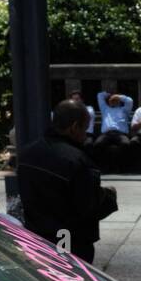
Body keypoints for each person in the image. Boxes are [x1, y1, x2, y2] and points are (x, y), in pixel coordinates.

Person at [18, 100, 117, 263]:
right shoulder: (78, 161)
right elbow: (88, 207)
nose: (85, 135)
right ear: (74, 127)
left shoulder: (28, 153)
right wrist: (109, 196)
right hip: (70, 242)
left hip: (36, 236)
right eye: (84, 129)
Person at [94, 90, 133, 171]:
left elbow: (129, 101)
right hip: (106, 134)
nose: (113, 101)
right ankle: (104, 166)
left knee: (126, 144)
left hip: (120, 134)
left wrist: (118, 96)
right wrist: (110, 95)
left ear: (119, 101)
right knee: (98, 144)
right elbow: (99, 95)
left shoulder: (124, 110)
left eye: (115, 100)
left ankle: (120, 166)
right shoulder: (105, 109)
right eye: (111, 100)